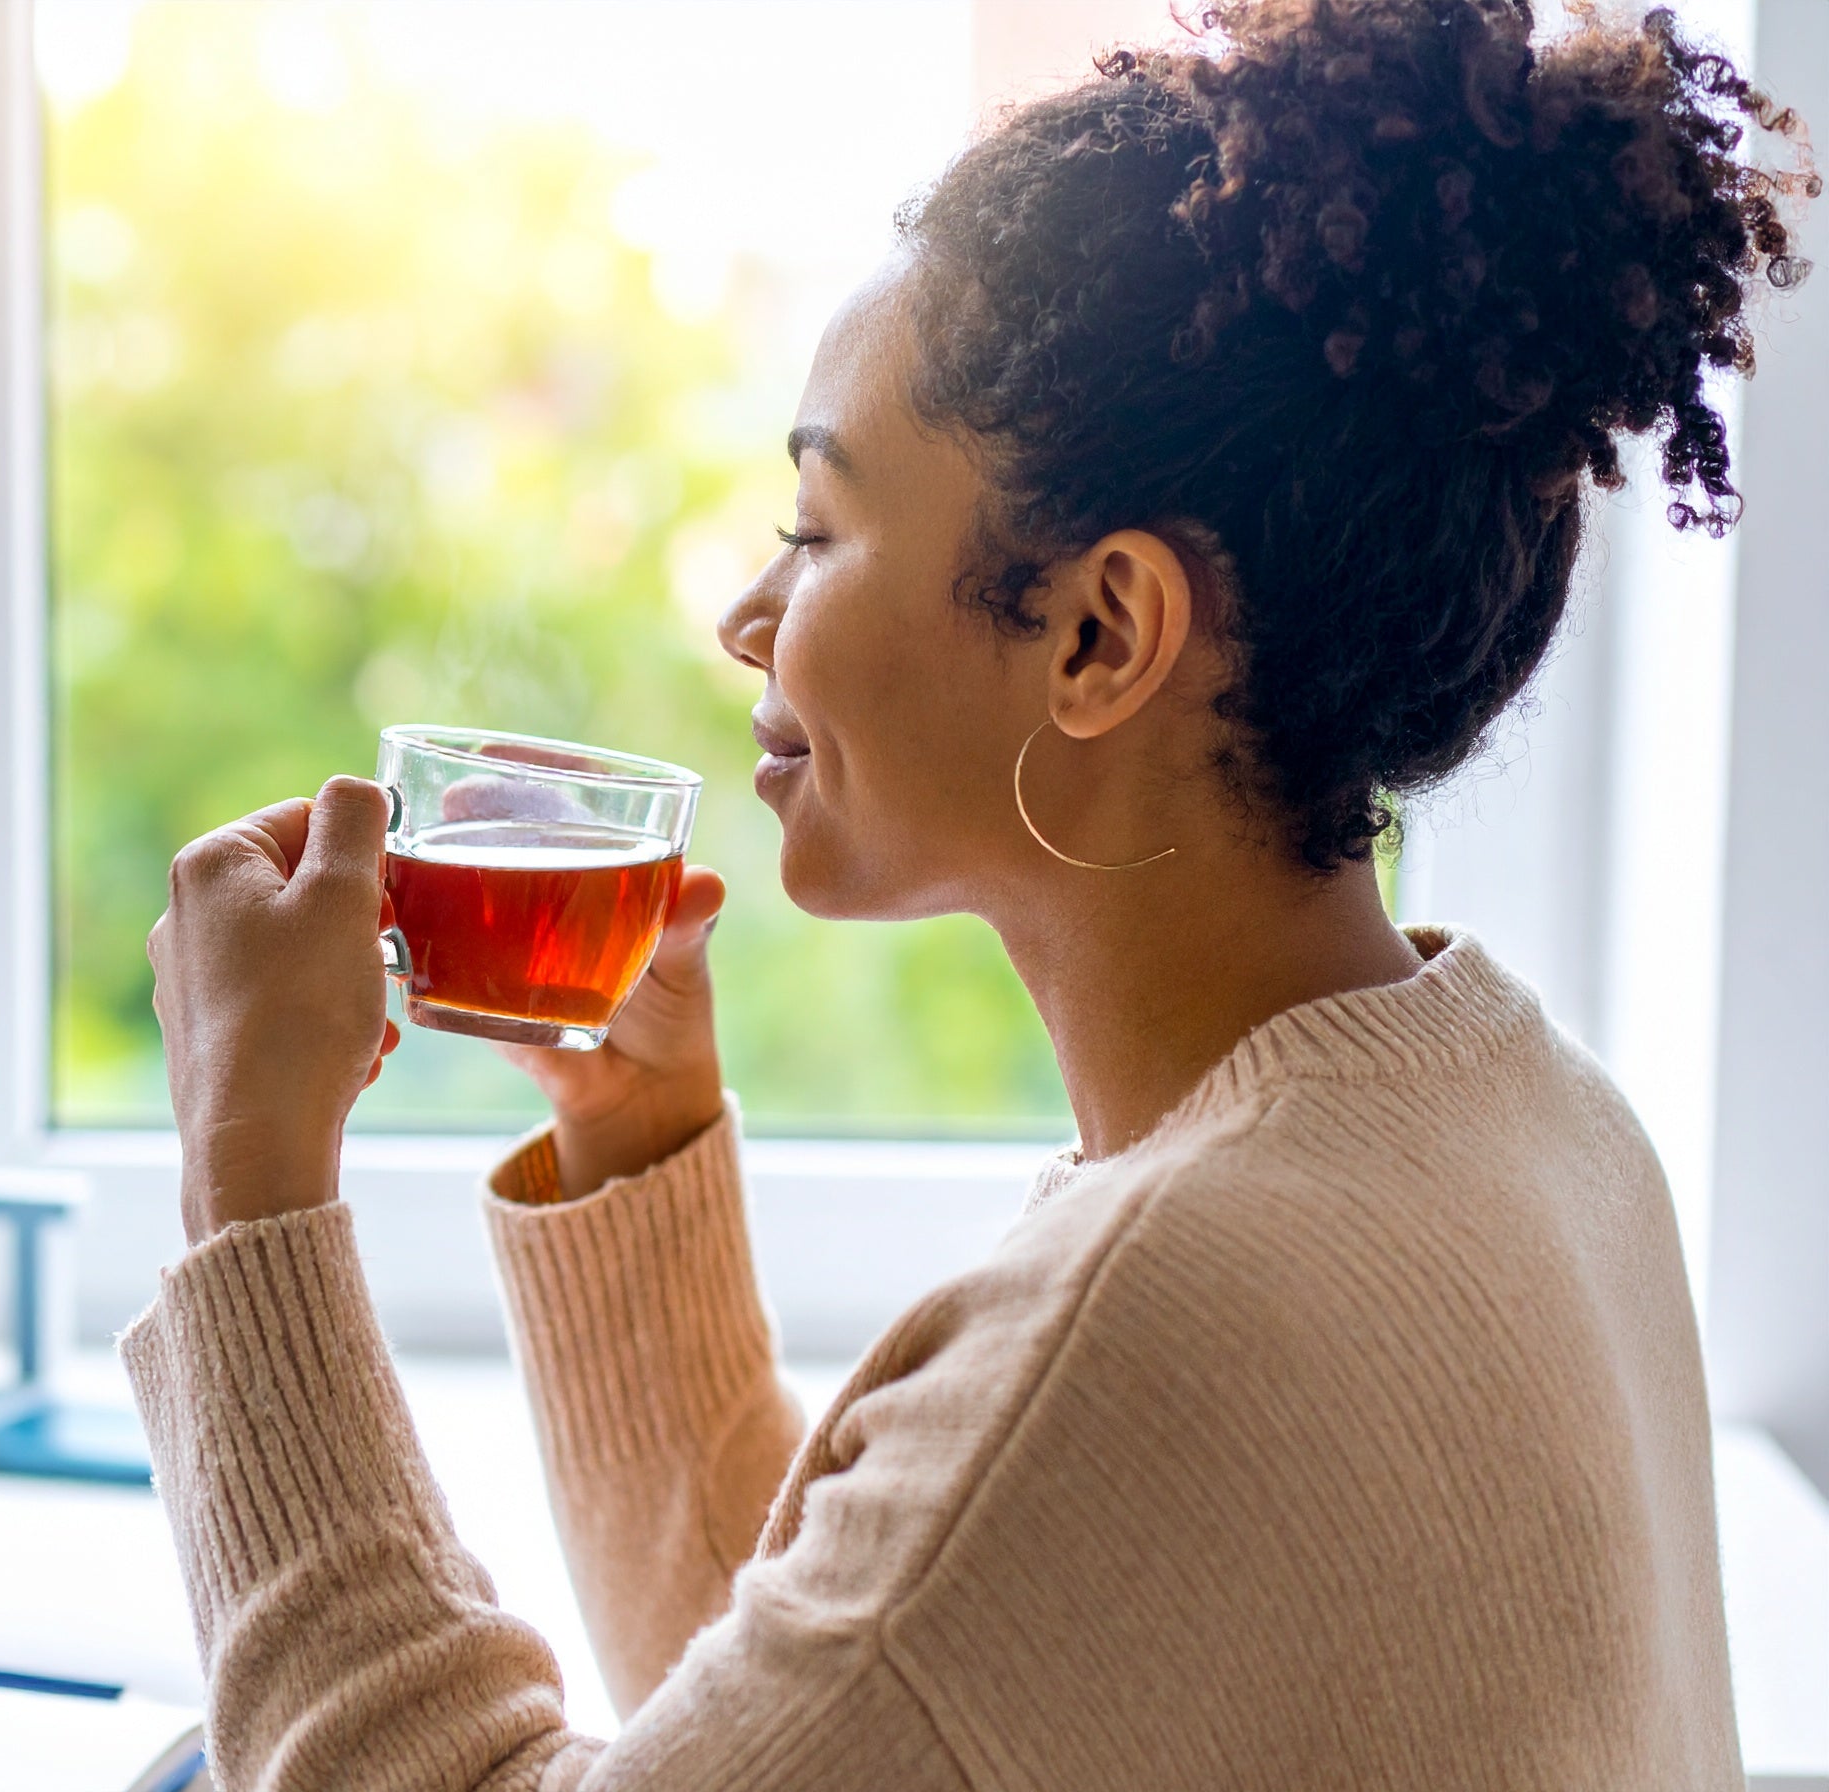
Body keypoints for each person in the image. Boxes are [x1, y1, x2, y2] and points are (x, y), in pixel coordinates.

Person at [128, 1, 1811, 1785]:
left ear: (1099, 635)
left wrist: (249, 1185)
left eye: (820, 527)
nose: (748, 619)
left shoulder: (1171, 1309)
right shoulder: (1528, 1123)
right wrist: (636, 1141)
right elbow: (874, 1709)